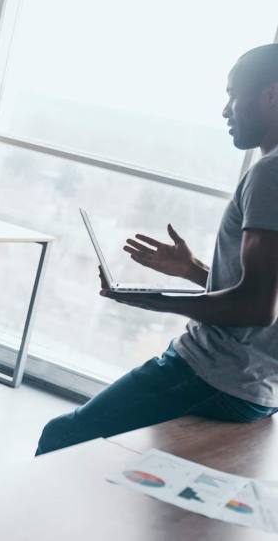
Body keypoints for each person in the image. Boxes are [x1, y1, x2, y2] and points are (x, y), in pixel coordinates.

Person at [37, 43, 278, 456]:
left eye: (233, 94)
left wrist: (152, 300)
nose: (225, 110)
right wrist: (192, 269)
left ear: (271, 95)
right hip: (254, 383)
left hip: (217, 372)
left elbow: (256, 307)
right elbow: (264, 292)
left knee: (62, 438)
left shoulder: (270, 174)